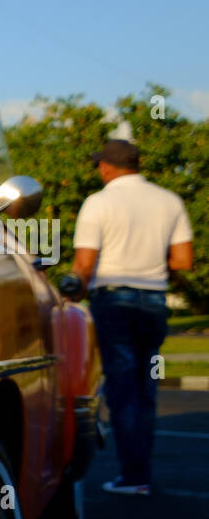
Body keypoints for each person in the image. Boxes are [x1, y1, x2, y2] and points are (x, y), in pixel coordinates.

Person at [66, 139, 195, 495]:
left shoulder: (99, 202)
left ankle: (132, 476)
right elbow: (183, 261)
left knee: (122, 391)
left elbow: (84, 266)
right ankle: (142, 472)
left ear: (107, 167)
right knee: (144, 389)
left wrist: (71, 291)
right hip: (154, 302)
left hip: (114, 302)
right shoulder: (170, 201)